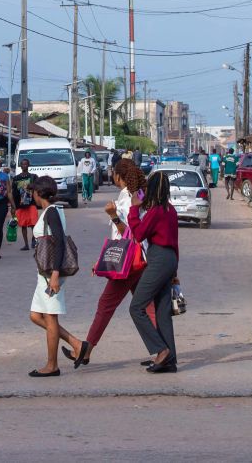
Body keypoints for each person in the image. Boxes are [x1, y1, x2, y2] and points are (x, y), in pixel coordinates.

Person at [64, 157, 156, 369]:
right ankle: (161, 350)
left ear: (118, 176)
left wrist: (113, 216)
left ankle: (86, 349)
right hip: (140, 257)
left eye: (113, 173)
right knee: (146, 306)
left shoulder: (125, 199)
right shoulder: (139, 194)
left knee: (106, 305)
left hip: (128, 261)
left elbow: (128, 233)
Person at [27, 176, 85, 377]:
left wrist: (55, 274)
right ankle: (76, 343)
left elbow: (59, 242)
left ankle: (52, 366)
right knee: (35, 315)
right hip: (44, 273)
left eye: (33, 191)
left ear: (38, 193)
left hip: (51, 273)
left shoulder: (51, 212)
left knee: (51, 318)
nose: (32, 195)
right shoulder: (52, 211)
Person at [127, 170, 179, 373]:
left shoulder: (155, 212)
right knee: (162, 311)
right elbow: (175, 243)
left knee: (136, 307)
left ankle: (161, 350)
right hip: (170, 259)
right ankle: (170, 359)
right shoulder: (170, 210)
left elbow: (138, 234)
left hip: (158, 258)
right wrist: (175, 271)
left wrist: (133, 209)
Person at [11, 158, 37, 250]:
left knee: (34, 223)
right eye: (23, 164)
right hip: (20, 205)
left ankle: (34, 239)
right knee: (23, 225)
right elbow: (13, 193)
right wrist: (13, 206)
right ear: (20, 166)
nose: (24, 166)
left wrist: (32, 186)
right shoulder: (16, 178)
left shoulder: (33, 177)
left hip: (31, 203)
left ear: (28, 165)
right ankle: (26, 244)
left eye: (26, 164)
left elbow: (38, 187)